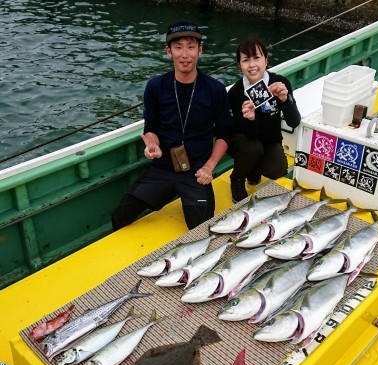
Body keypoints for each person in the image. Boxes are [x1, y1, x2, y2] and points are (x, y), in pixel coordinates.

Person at [112, 20, 233, 230]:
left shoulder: (215, 90)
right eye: (178, 47)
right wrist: (152, 144)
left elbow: (224, 134)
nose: (184, 54)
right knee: (120, 217)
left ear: (200, 50)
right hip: (162, 167)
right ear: (169, 51)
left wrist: (209, 167)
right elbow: (151, 128)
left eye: (191, 47)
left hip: (196, 171)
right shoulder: (155, 87)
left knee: (201, 229)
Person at [227, 36, 301, 203]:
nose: (252, 65)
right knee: (253, 148)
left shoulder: (280, 82)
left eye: (257, 58)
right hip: (243, 140)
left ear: (266, 60)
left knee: (278, 169)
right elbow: (248, 133)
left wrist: (285, 99)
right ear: (239, 65)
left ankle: (253, 169)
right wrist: (251, 118)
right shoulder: (235, 93)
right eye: (246, 60)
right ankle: (237, 179)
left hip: (269, 139)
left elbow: (294, 122)